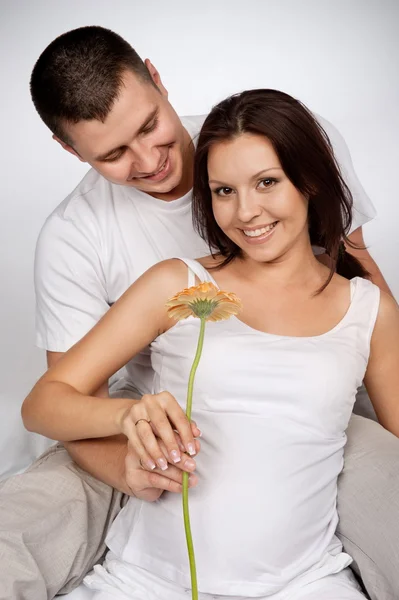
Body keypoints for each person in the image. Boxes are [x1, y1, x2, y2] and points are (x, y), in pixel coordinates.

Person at [0, 25, 397, 600]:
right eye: (113, 154)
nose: (148, 161)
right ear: (71, 151)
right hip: (150, 425)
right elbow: (61, 401)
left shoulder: (271, 139)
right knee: (22, 523)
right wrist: (130, 465)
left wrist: (372, 330)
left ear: (157, 80)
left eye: (149, 128)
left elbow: (357, 266)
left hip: (319, 404)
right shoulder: (89, 241)